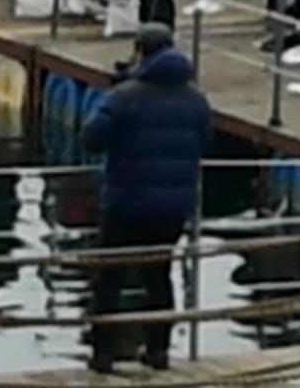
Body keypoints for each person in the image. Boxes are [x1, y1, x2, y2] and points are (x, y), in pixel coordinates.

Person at [82, 29, 213, 372]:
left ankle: (103, 355)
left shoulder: (126, 96)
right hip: (172, 207)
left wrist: (113, 94)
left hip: (126, 200)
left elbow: (92, 138)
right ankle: (158, 351)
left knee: (110, 278)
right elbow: (205, 140)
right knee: (159, 276)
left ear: (140, 52)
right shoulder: (196, 99)